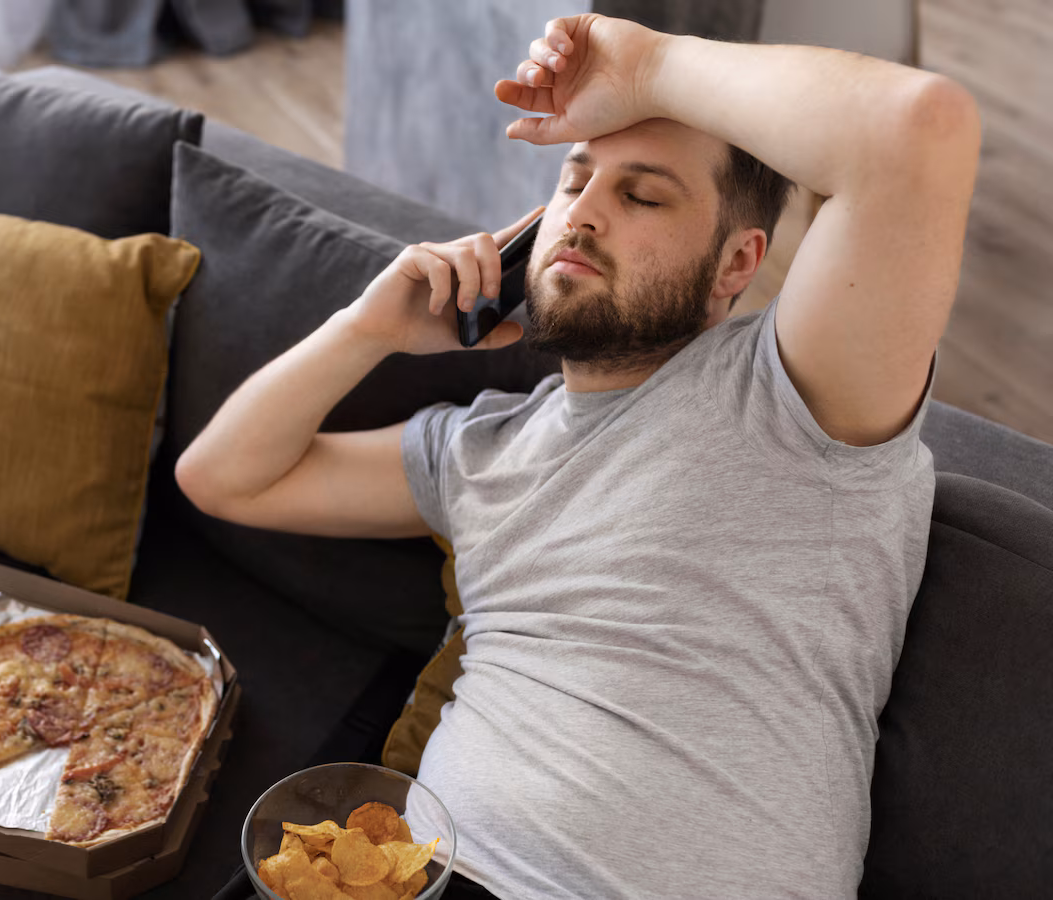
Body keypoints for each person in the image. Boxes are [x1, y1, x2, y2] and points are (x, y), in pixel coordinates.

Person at [188, 13, 980, 899]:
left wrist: (647, 66)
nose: (587, 213)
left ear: (735, 266)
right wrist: (364, 331)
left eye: (642, 197)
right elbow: (222, 477)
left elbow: (923, 129)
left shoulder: (794, 395)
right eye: (573, 184)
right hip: (420, 879)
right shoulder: (479, 449)